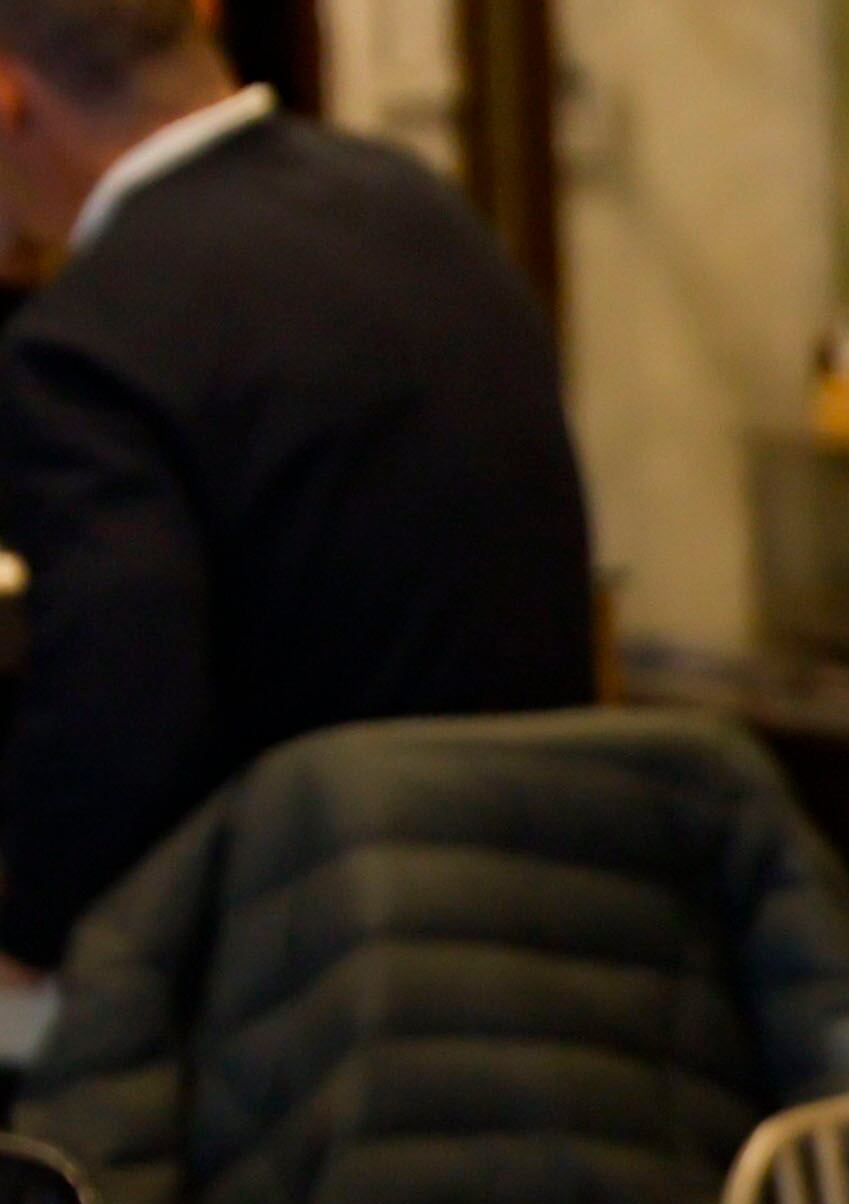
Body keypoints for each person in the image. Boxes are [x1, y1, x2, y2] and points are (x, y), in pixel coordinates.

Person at [0, 0, 593, 987]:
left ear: (11, 100)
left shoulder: (85, 343)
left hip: (314, 984)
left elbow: (120, 729)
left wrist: (23, 928)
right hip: (560, 929)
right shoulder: (421, 210)